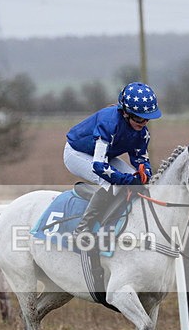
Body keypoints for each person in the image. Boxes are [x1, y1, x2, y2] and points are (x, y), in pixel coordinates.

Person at [63, 81, 162, 238]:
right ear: (125, 113)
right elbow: (99, 166)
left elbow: (141, 160)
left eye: (147, 119)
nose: (143, 123)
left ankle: (120, 222)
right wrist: (127, 181)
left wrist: (145, 175)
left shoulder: (142, 133)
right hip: (76, 153)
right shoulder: (108, 123)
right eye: (138, 119)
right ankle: (82, 229)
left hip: (105, 156)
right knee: (112, 183)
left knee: (136, 180)